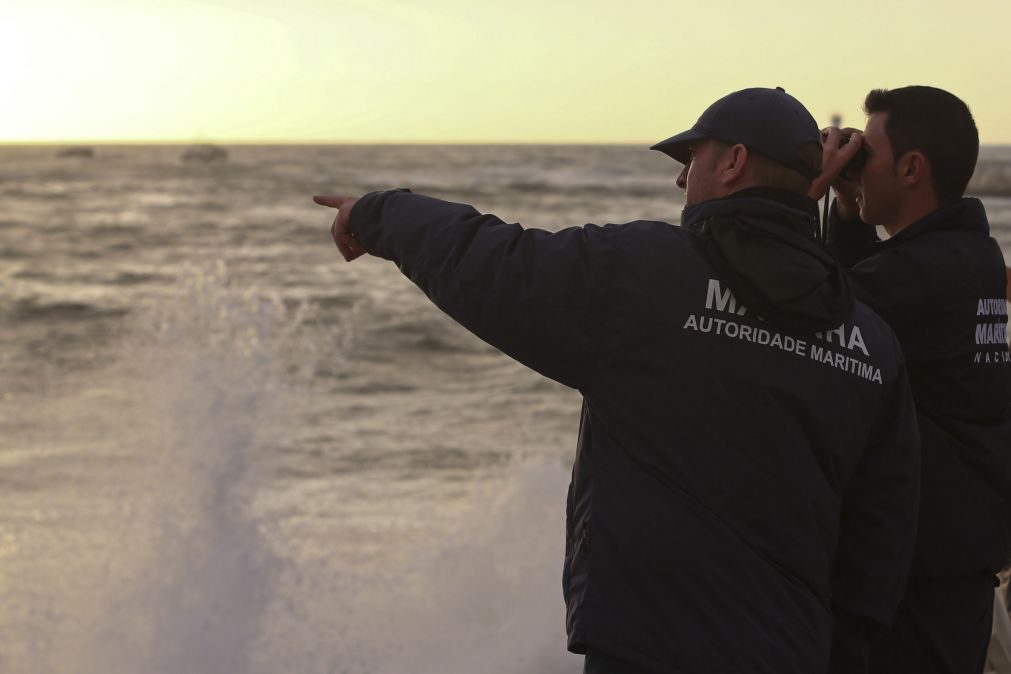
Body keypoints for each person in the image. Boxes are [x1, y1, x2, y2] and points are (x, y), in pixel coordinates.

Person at [314, 87, 920, 673]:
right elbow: (882, 537)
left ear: (733, 163)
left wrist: (379, 212)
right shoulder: (872, 341)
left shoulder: (642, 276)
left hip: (650, 647)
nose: (681, 180)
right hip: (791, 650)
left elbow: (497, 265)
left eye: (693, 159)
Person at [812, 85, 1011, 674]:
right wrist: (850, 207)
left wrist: (806, 193)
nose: (854, 162)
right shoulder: (967, 257)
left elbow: (811, 311)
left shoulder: (926, 272)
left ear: (911, 167)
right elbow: (861, 304)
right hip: (955, 559)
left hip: (921, 573)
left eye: (864, 153)